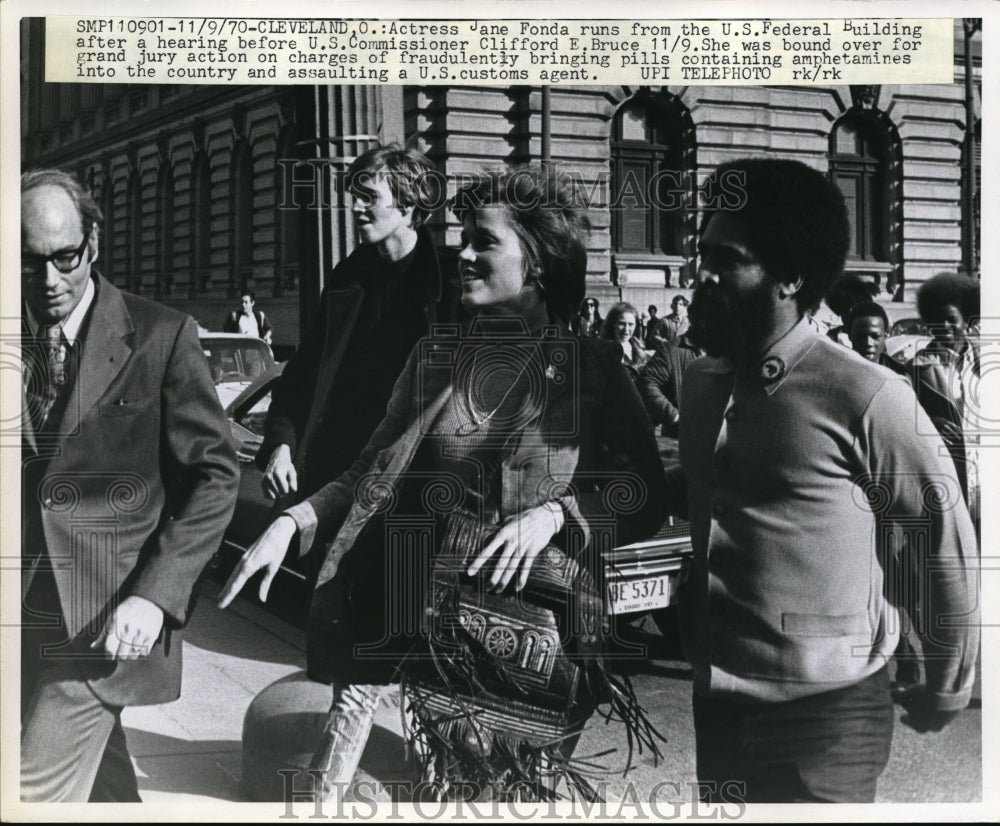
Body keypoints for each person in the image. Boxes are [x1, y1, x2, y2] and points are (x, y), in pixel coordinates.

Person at [219, 167, 667, 800]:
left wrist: (559, 515)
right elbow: (369, 467)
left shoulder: (589, 370)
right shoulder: (436, 358)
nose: (461, 252)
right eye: (463, 236)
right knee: (334, 777)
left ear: (537, 264)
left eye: (484, 242)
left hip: (532, 635)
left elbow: (643, 491)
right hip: (412, 599)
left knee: (488, 796)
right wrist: (294, 521)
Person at [671, 158, 979, 803]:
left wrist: (948, 680)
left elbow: (937, 537)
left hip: (829, 715)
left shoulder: (866, 393)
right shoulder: (700, 384)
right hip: (719, 703)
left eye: (725, 258)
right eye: (702, 252)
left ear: (789, 276)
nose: (700, 274)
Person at [19, 169, 240, 802]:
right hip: (23, 619)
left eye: (65, 258)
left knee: (29, 796)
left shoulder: (162, 336)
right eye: (29, 263)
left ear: (93, 241)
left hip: (102, 623)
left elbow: (215, 476)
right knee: (108, 792)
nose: (49, 281)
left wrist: (156, 594)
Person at [257, 145, 456, 503]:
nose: (355, 208)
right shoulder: (346, 280)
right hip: (331, 476)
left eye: (368, 197)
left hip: (411, 487)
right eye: (354, 196)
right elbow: (302, 376)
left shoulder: (452, 285)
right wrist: (281, 445)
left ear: (407, 204)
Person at [910, 272, 981, 531]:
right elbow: (903, 421)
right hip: (948, 476)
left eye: (952, 320)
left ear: (967, 321)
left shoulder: (986, 364)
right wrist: (931, 424)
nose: (945, 326)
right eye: (937, 320)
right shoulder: (917, 368)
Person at [637, 331, 703, 437]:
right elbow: (647, 382)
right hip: (680, 437)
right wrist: (674, 416)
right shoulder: (672, 349)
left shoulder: (729, 348)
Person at [846, 300, 909, 378]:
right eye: (861, 336)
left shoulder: (898, 374)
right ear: (850, 336)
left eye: (875, 336)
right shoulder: (838, 371)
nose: (868, 343)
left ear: (885, 337)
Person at [602, 301, 650, 379]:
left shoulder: (638, 348)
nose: (626, 329)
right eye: (622, 324)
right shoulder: (604, 350)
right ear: (613, 324)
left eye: (631, 324)